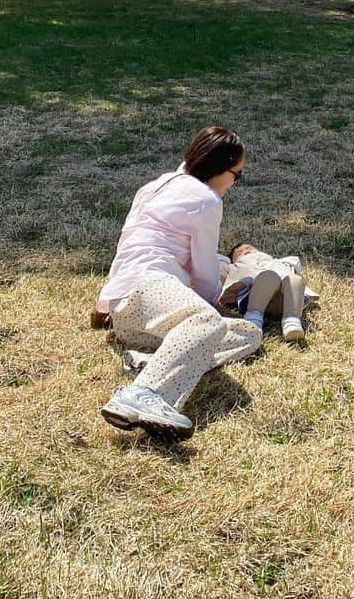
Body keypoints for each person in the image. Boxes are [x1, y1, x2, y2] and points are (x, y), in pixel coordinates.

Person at [94, 126, 261, 437]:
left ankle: (151, 362)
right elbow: (205, 270)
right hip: (149, 287)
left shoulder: (153, 187)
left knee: (249, 334)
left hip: (127, 315)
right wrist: (216, 299)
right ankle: (146, 394)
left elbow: (128, 244)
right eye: (236, 175)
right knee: (208, 322)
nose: (235, 183)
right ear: (218, 168)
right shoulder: (206, 200)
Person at [220, 243, 317, 342]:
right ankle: (253, 318)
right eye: (240, 253)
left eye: (249, 248)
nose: (246, 251)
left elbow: (295, 265)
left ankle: (292, 320)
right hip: (256, 297)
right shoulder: (236, 266)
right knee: (269, 276)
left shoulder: (278, 262)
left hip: (285, 298)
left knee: (295, 279)